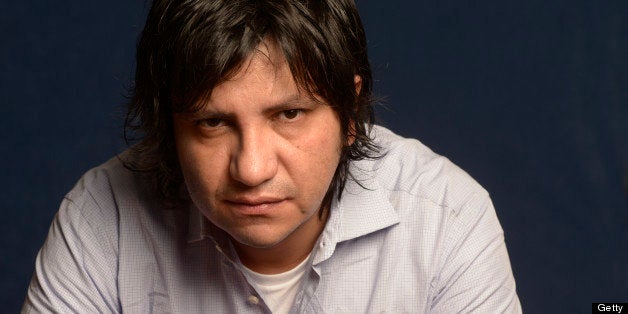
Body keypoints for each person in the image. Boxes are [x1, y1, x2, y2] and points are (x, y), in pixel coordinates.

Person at [23, 0, 521, 312]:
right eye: (212, 122)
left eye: (288, 114)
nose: (252, 169)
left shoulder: (447, 218)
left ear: (349, 113)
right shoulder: (102, 216)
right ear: (169, 125)